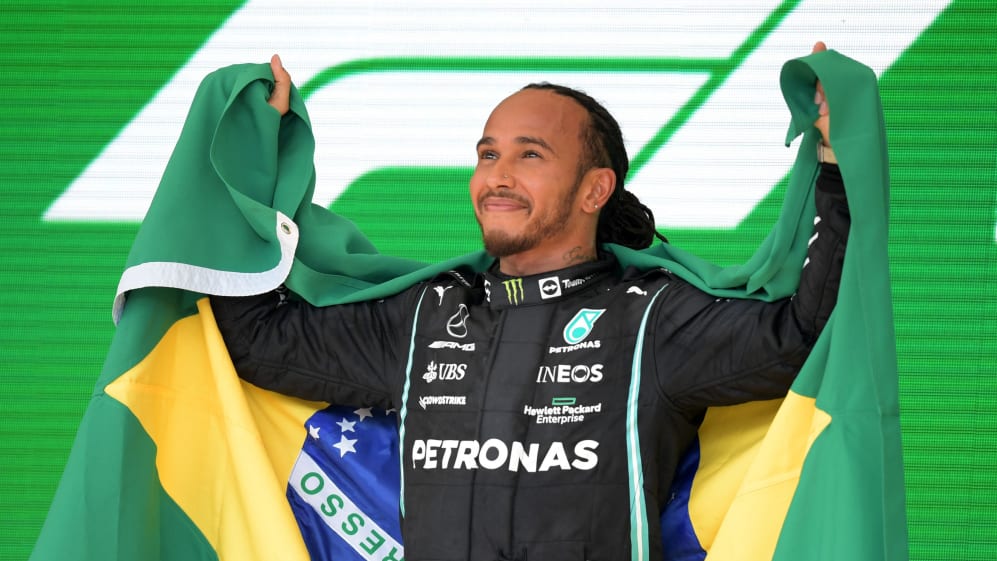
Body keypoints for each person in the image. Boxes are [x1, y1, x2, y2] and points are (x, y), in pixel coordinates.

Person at [212, 42, 847, 560]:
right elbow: (259, 340)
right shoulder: (424, 316)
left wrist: (834, 161)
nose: (498, 176)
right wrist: (247, 158)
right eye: (488, 154)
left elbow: (803, 336)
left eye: (530, 155)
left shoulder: (653, 317)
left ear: (596, 189)